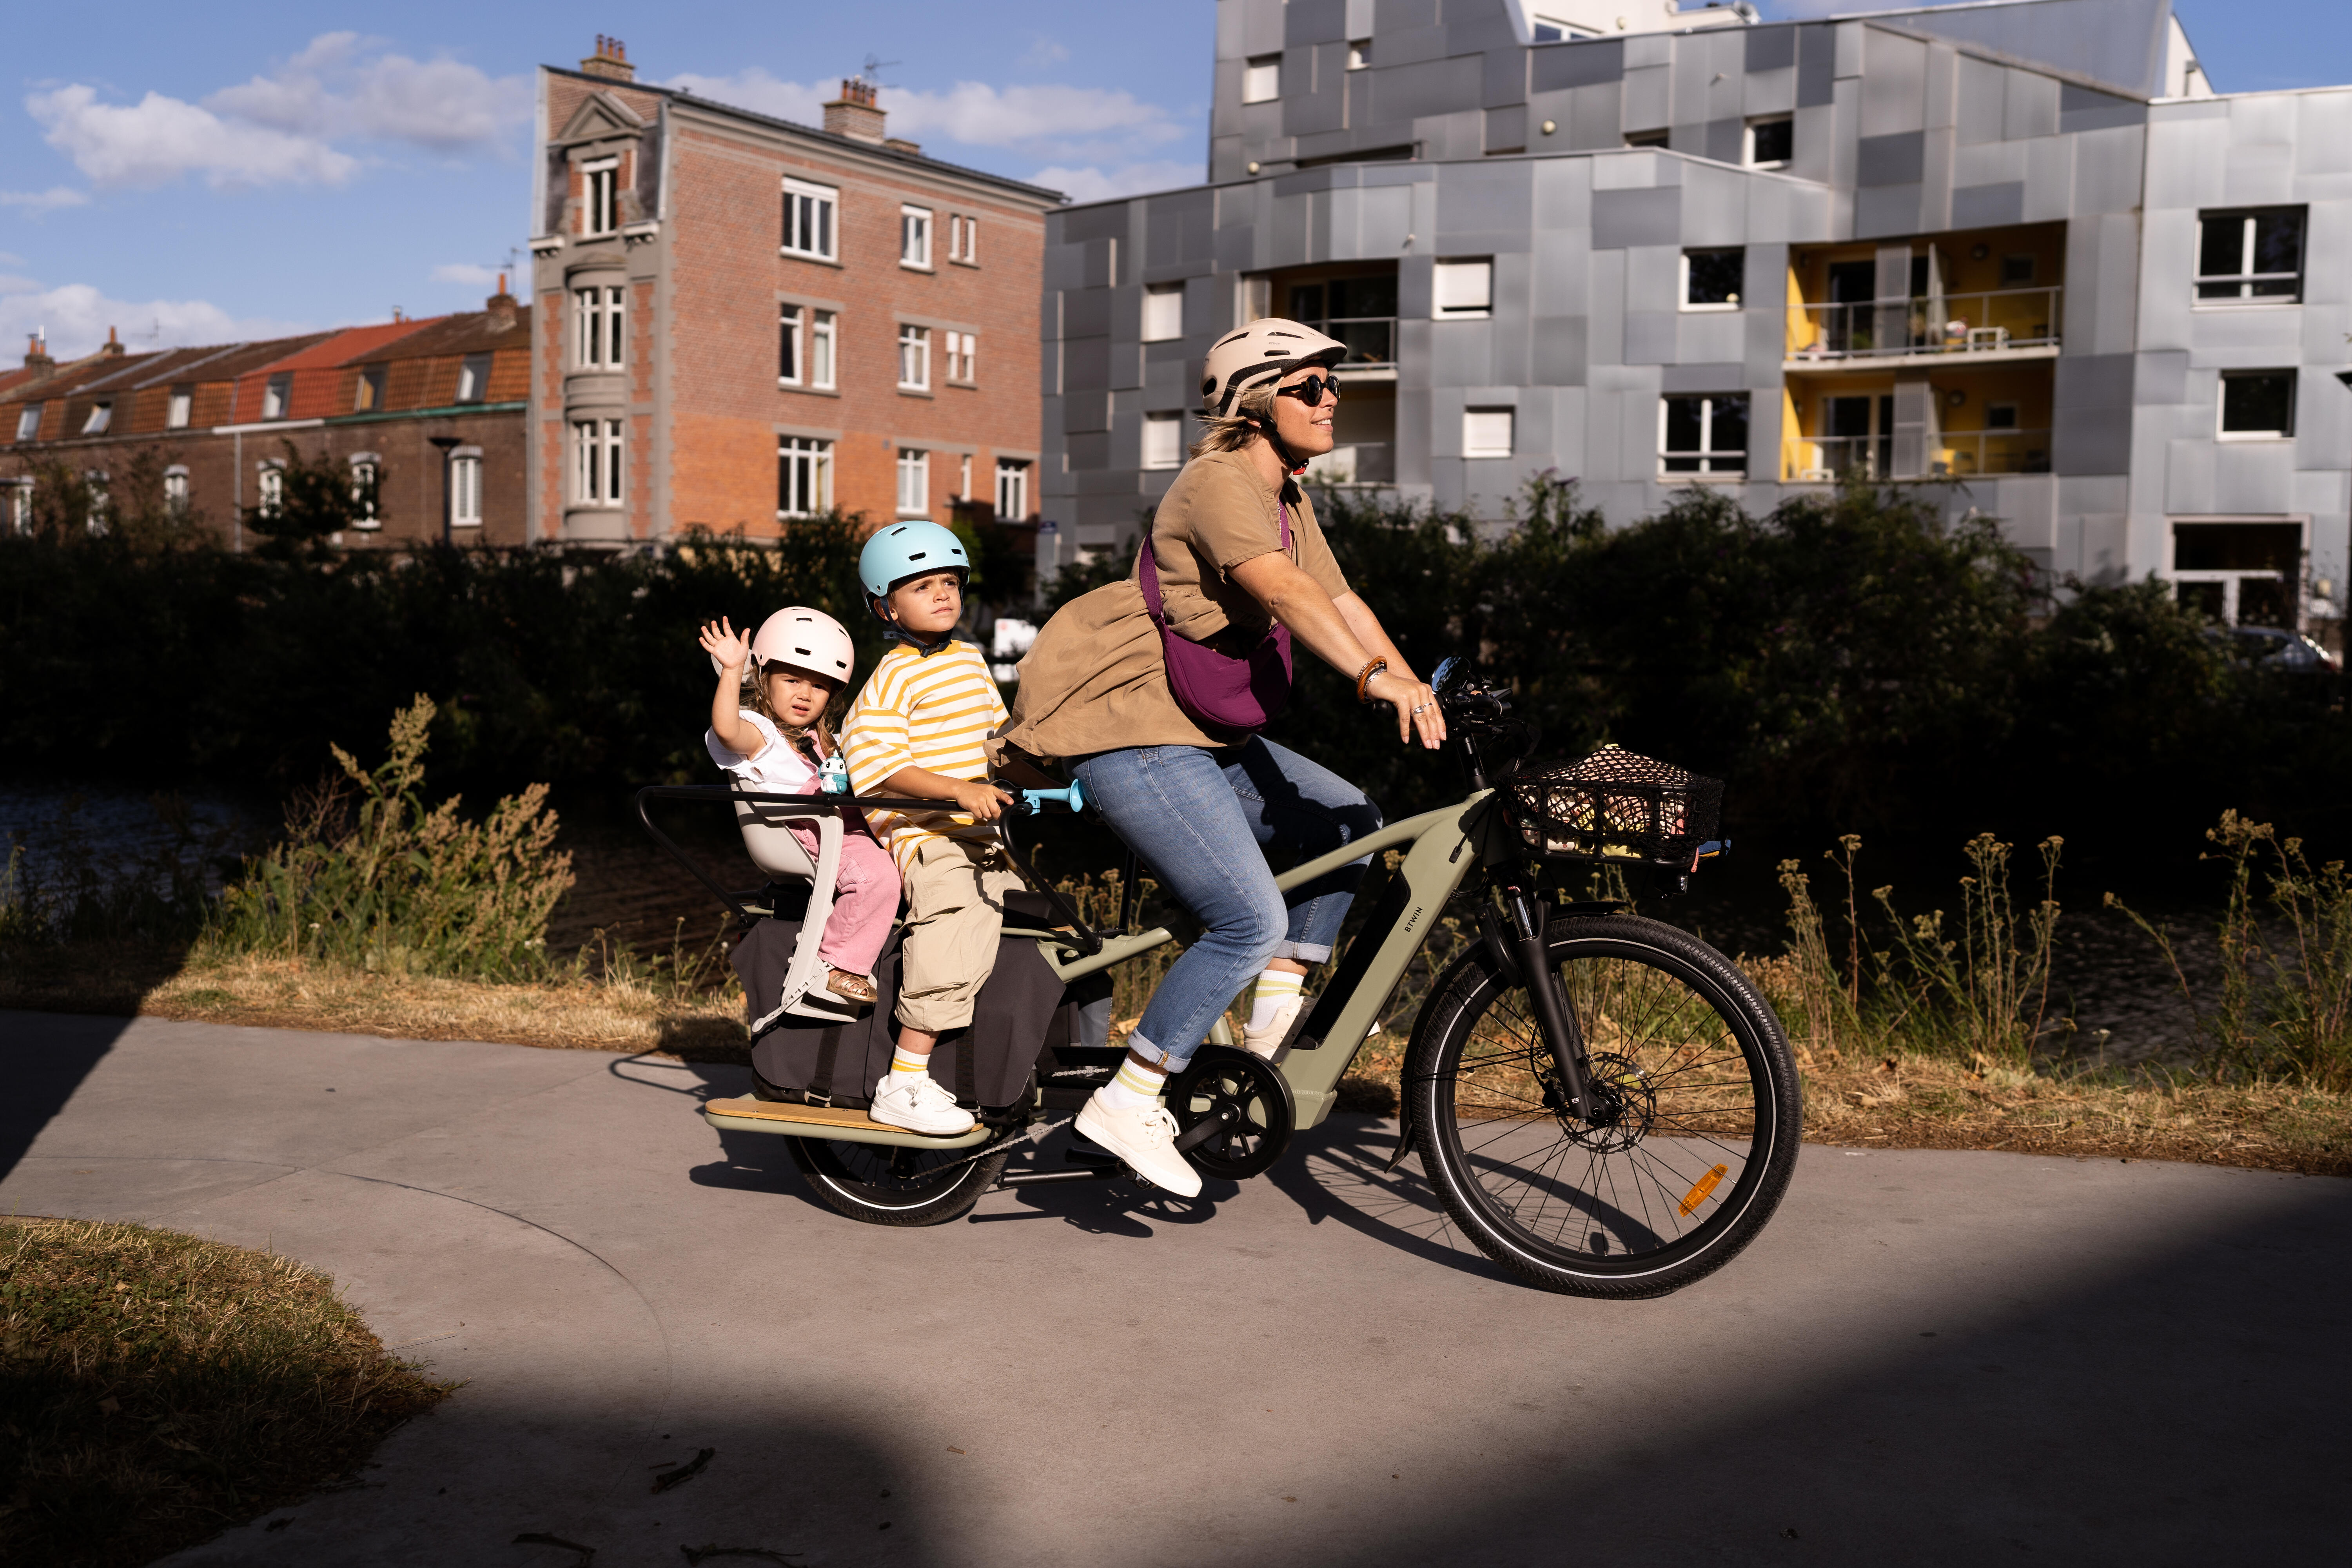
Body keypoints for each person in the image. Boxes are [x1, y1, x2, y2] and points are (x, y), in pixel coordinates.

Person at [1000, 319, 1446, 1198]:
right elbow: (1279, 589)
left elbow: (1337, 596)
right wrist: (1369, 680)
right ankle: (1130, 1097)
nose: (1330, 400)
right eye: (1309, 385)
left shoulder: (1290, 496)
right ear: (1255, 399)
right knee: (1249, 917)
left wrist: (1417, 684)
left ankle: (1263, 1046)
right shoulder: (1216, 483)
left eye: (1332, 385)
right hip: (1128, 732)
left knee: (1349, 820)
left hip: (1201, 734)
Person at [839, 521, 1022, 1139]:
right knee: (955, 911)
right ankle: (906, 1079)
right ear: (887, 606)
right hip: (930, 834)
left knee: (1048, 928)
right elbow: (881, 768)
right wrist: (959, 790)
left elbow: (997, 740)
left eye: (950, 581)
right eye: (921, 586)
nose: (943, 594)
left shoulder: (970, 659)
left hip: (984, 832)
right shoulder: (891, 677)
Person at [698, 607, 898, 1009]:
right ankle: (836, 965)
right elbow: (727, 728)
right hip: (818, 829)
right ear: (765, 678)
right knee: (878, 878)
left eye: (819, 687)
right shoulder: (762, 736)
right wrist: (734, 671)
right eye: (792, 680)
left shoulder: (820, 740)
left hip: (850, 825)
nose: (805, 694)